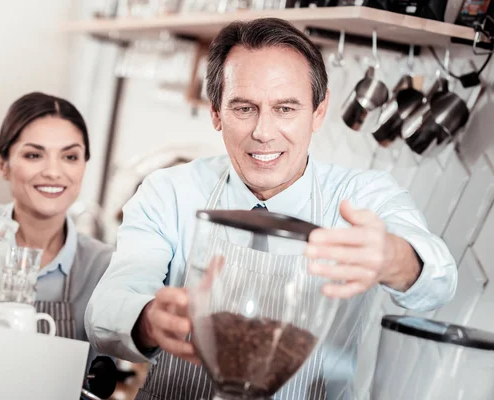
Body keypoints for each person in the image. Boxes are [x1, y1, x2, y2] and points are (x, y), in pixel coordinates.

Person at [85, 18, 458, 399]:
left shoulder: (363, 197)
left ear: (318, 111)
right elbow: (106, 309)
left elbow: (440, 283)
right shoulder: (170, 192)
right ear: (216, 112)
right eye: (244, 108)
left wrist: (394, 258)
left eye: (285, 108)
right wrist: (148, 320)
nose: (264, 132)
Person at [0, 92, 114, 351]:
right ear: (2, 164)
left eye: (70, 157)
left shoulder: (102, 266)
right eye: (34, 155)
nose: (53, 172)